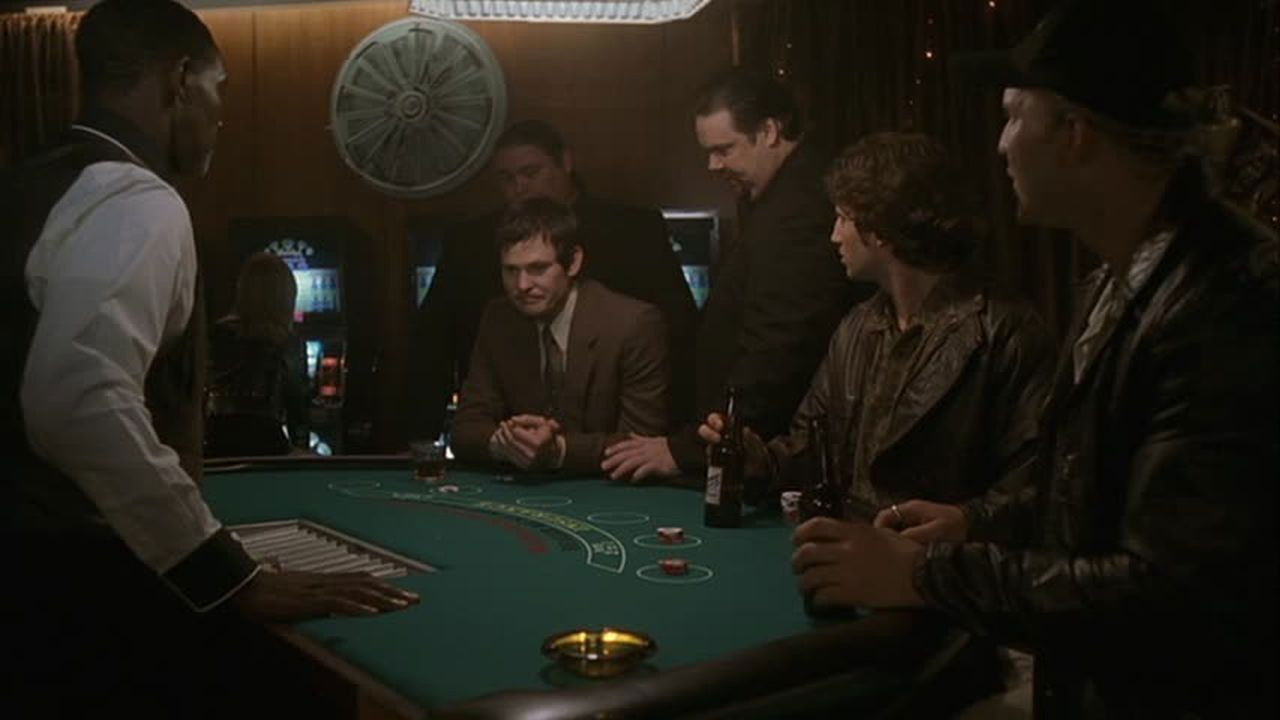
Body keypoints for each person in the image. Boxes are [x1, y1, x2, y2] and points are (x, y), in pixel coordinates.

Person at [790, 1, 1279, 716]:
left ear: (1075, 133)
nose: (1000, 145)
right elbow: (1093, 492)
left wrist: (928, 573)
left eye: (1015, 116)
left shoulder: (1229, 301)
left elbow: (1165, 594)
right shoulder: (1119, 279)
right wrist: (971, 523)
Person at [0, 0, 418, 713]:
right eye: (219, 90)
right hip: (85, 596)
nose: (221, 117)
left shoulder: (27, 183)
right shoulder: (137, 198)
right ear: (180, 81)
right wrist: (225, 574)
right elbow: (76, 399)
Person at [700, 131, 1053, 519]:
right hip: (851, 546)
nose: (834, 236)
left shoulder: (1005, 333)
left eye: (843, 218)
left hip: (925, 555)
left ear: (881, 227)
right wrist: (760, 461)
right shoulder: (857, 327)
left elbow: (1032, 493)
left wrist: (950, 529)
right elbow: (811, 449)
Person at [603, 69, 866, 482]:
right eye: (709, 151)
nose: (713, 165)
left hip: (771, 456)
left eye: (724, 149)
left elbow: (780, 348)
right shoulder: (780, 196)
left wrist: (692, 449)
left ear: (769, 132)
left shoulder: (797, 210)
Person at [409, 119, 696, 441]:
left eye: (530, 173)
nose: (519, 187)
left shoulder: (632, 231)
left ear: (566, 163)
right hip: (506, 443)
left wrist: (683, 446)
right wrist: (418, 441)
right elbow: (432, 347)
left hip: (616, 435)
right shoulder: (472, 244)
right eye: (506, 178)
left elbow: (681, 335)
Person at [450, 198, 669, 473]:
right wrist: (505, 443)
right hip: (524, 489)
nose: (522, 285)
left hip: (608, 489)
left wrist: (559, 450)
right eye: (511, 270)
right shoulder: (499, 319)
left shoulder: (633, 324)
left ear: (573, 262)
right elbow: (465, 429)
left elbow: (641, 445)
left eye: (538, 269)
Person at [206, 251, 310, 457]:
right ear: (287, 297)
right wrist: (302, 452)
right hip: (268, 447)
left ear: (242, 290)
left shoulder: (216, 334)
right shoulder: (288, 343)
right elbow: (298, 413)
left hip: (215, 445)